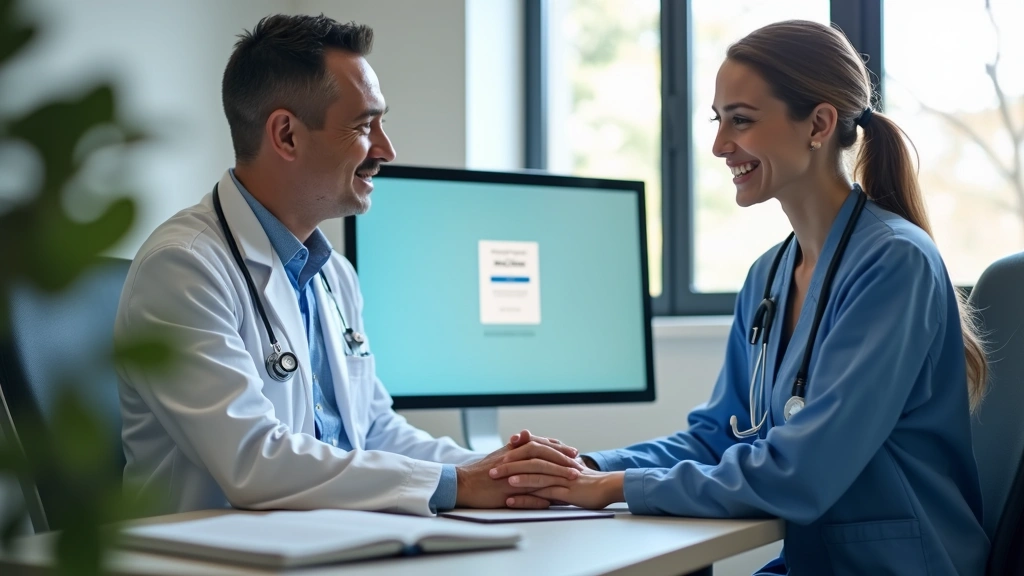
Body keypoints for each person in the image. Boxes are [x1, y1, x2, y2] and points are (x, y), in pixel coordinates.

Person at [492, 20, 991, 575]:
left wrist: (612, 487)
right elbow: (717, 436)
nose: (718, 145)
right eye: (718, 120)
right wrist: (581, 467)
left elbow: (803, 471)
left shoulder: (895, 262)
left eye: (741, 121)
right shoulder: (768, 276)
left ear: (819, 124)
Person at [115, 14, 582, 517]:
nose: (386, 149)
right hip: (204, 559)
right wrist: (459, 484)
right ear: (287, 135)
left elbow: (375, 429)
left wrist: (498, 472)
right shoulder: (184, 269)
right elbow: (253, 461)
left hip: (325, 544)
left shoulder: (332, 274)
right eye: (364, 126)